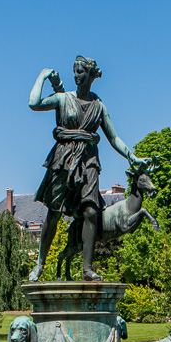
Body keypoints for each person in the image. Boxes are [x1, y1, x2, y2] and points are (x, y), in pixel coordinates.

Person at [25, 56, 147, 282]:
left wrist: (132, 156)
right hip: (63, 159)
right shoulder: (63, 98)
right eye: (75, 71)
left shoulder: (99, 106)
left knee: (91, 212)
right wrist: (42, 75)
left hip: (89, 160)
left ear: (91, 75)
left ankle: (87, 269)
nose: (76, 75)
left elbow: (113, 138)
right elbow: (34, 103)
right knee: (54, 214)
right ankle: (40, 263)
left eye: (81, 71)